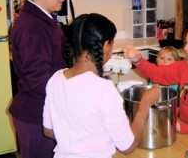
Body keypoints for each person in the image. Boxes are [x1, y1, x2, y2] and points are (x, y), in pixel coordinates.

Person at [43, 13, 160, 158]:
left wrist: (77, 138)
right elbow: (128, 146)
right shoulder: (103, 89)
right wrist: (145, 104)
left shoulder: (56, 79)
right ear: (105, 46)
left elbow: (48, 130)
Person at [8, 0, 78, 158]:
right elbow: (38, 80)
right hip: (36, 115)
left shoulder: (44, 17)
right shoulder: (32, 26)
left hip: (44, 111)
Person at [124, 22, 188, 134]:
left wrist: (182, 128)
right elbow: (159, 74)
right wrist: (138, 60)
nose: (186, 48)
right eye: (186, 43)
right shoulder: (185, 66)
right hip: (183, 128)